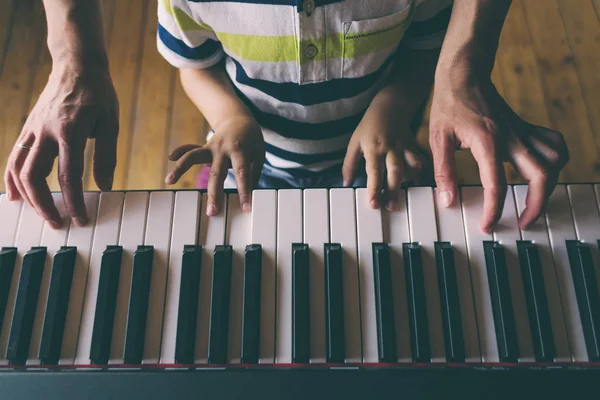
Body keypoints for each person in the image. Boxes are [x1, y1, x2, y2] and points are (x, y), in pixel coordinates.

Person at [3, 0, 568, 235]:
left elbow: (427, 55)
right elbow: (194, 67)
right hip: (253, 164)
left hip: (379, 158)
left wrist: (390, 112)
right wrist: (229, 119)